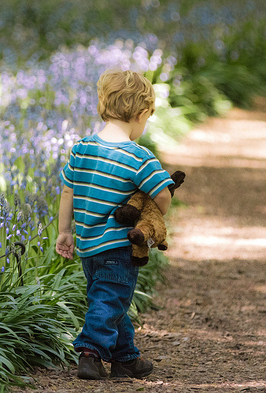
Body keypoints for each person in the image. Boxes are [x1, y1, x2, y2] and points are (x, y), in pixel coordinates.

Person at [56, 70, 174, 380]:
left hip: (89, 247)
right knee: (110, 300)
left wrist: (64, 231)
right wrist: (151, 217)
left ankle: (124, 358)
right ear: (140, 114)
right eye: (146, 119)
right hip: (120, 246)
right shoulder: (138, 157)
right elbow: (162, 194)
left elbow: (67, 191)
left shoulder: (81, 149)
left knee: (111, 299)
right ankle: (90, 352)